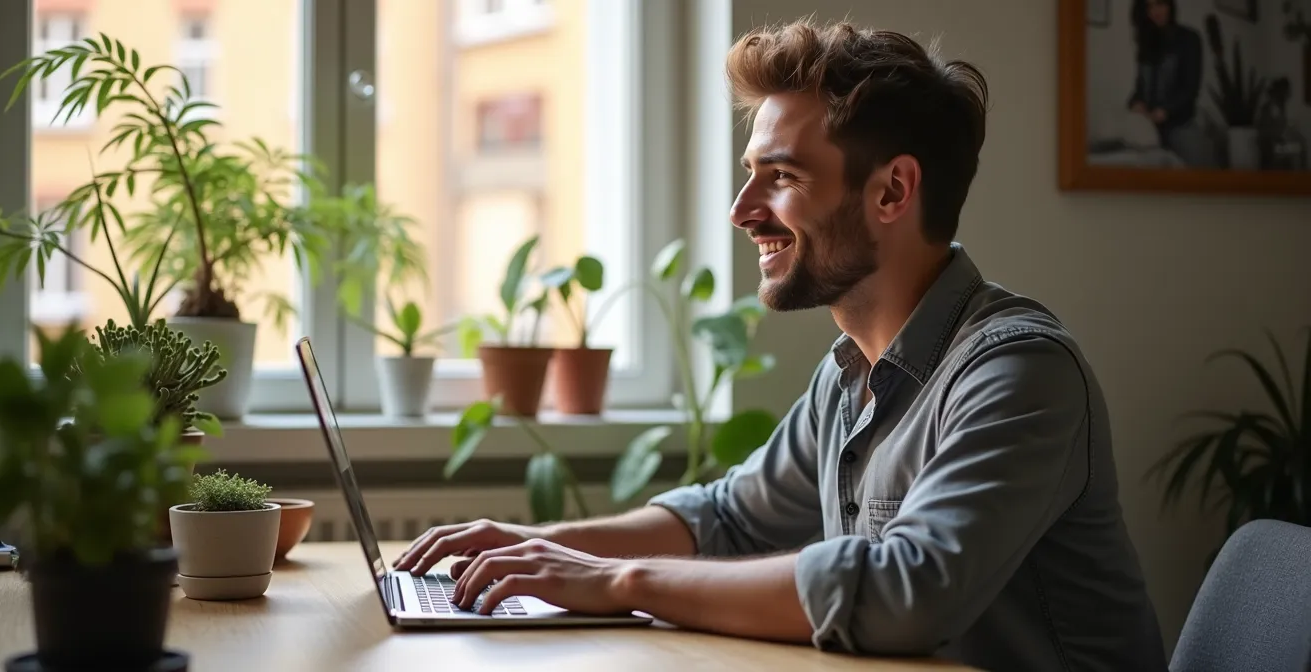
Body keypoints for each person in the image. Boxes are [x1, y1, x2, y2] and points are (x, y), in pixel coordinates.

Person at [396, 19, 1168, 671]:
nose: (741, 209)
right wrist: (537, 549)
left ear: (893, 191)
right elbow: (725, 518)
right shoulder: (850, 376)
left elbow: (906, 593)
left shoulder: (1020, 372)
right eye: (748, 173)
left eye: (781, 176)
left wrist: (618, 580)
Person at [1127, 0, 1204, 161]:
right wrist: (1135, 102)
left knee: (1203, 180)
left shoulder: (1188, 38)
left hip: (1181, 127)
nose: (1155, 11)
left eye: (1160, 3)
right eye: (1149, 6)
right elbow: (1141, 88)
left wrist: (1166, 110)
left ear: (1170, 5)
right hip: (1150, 131)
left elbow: (1191, 87)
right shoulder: (1146, 43)